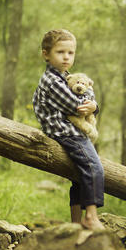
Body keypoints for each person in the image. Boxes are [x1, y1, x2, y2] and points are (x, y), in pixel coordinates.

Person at [32, 29, 105, 230]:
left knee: (78, 176)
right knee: (93, 166)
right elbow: (76, 106)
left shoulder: (66, 77)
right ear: (46, 54)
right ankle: (91, 216)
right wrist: (93, 106)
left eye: (70, 53)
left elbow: (84, 97)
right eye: (60, 52)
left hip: (70, 129)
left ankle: (76, 223)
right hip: (64, 132)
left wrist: (93, 106)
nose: (66, 57)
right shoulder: (52, 81)